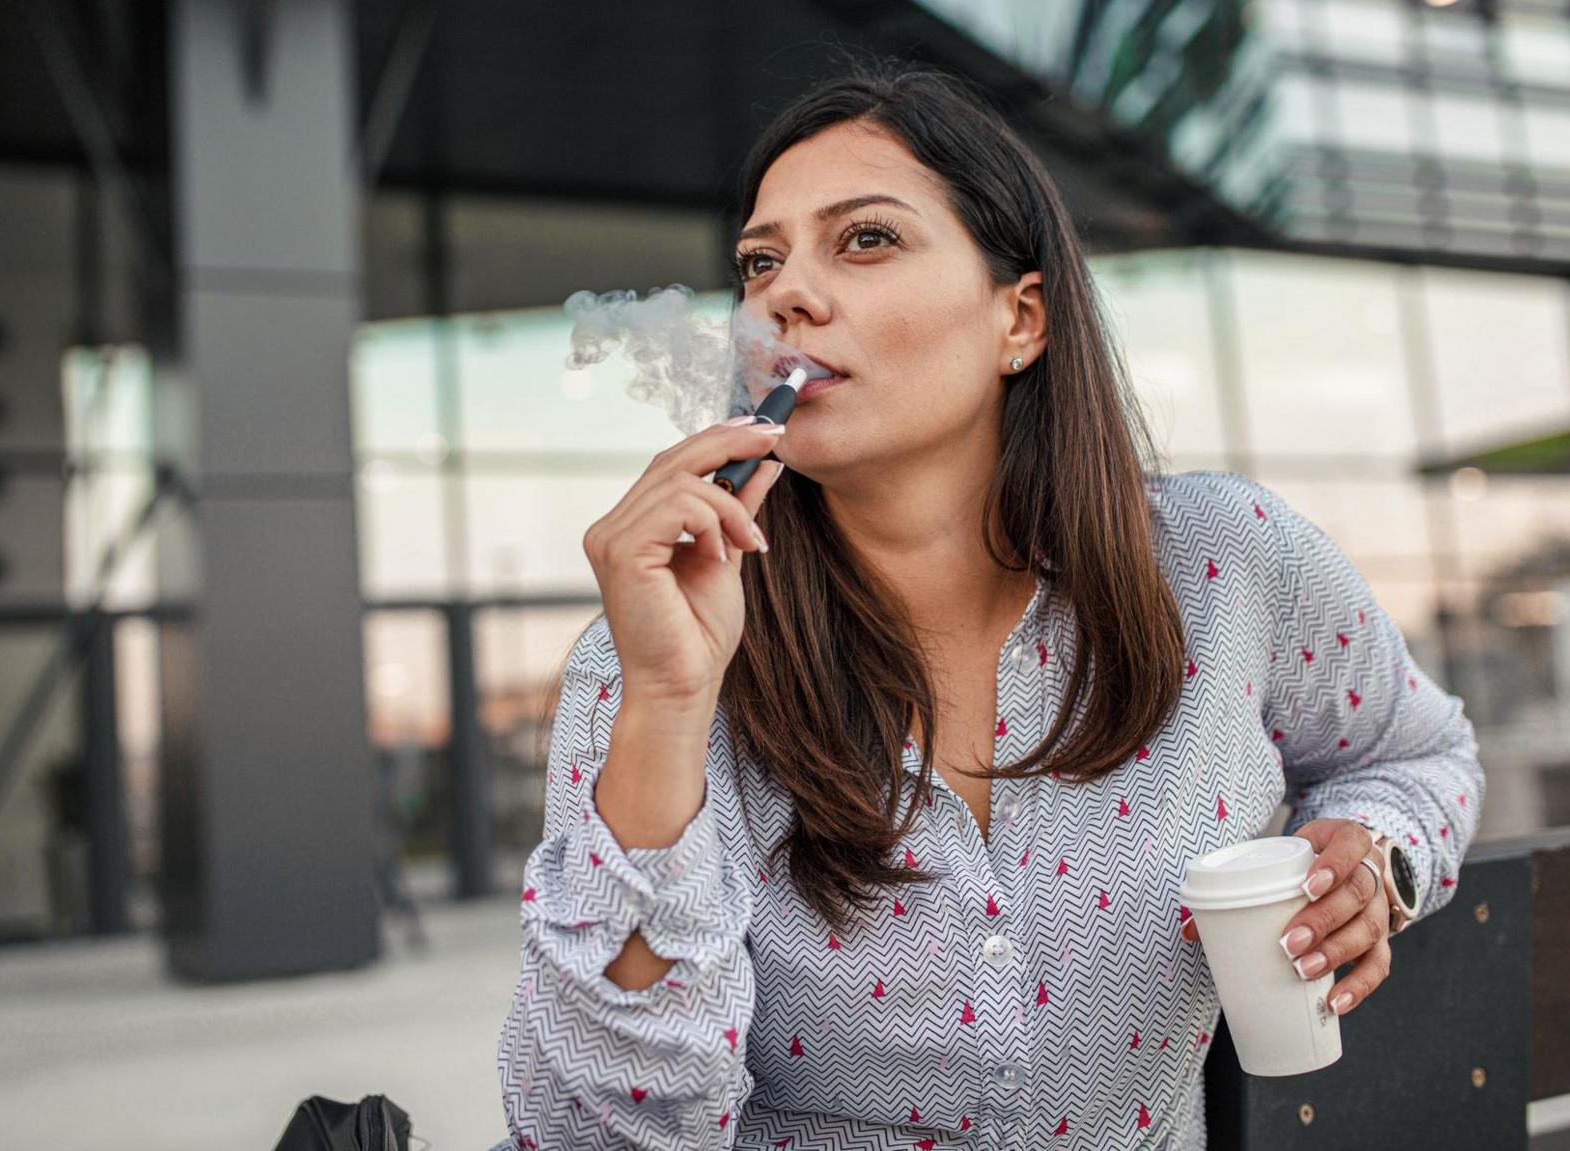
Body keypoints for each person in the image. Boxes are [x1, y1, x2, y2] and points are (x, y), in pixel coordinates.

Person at [494, 59, 1484, 1149]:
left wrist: (1377, 857)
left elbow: (1418, 753)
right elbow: (597, 1134)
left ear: (1020, 320)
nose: (783, 293)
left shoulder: (1224, 565)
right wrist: (669, 708)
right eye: (759, 261)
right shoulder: (654, 655)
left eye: (863, 239)